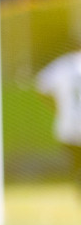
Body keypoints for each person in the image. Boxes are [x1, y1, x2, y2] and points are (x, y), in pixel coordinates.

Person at [37, 49, 81, 187]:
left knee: (76, 167)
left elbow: (41, 85)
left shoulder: (62, 65)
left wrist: (56, 107)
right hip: (70, 126)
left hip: (68, 126)